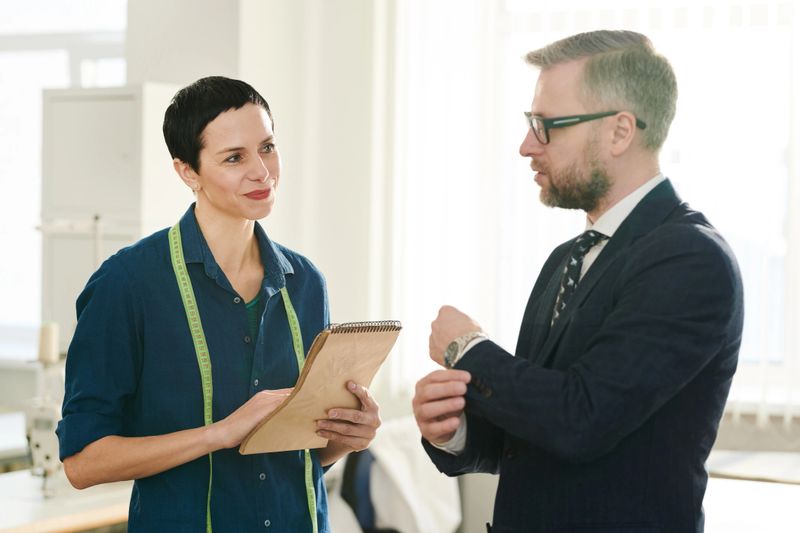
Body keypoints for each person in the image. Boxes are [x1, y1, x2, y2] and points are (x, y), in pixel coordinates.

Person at [412, 30, 743, 533]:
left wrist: (468, 348)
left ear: (619, 132)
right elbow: (530, 435)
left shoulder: (691, 258)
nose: (527, 146)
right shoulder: (566, 259)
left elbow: (581, 420)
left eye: (547, 125)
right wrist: (454, 432)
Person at [57, 76, 381, 532]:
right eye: (234, 157)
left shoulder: (304, 282)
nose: (262, 172)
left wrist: (347, 437)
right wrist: (220, 434)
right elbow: (83, 463)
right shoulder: (127, 284)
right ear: (187, 172)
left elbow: (302, 453)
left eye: (267, 147)